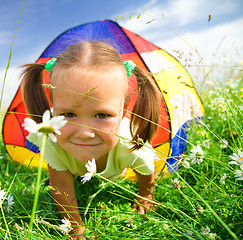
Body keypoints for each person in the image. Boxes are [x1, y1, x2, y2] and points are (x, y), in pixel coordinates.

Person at [21, 41, 161, 239]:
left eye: (102, 115)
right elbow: (61, 185)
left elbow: (146, 172)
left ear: (123, 110)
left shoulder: (131, 144)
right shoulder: (52, 136)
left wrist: (145, 195)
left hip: (119, 161)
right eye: (69, 113)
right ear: (54, 106)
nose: (85, 133)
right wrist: (76, 228)